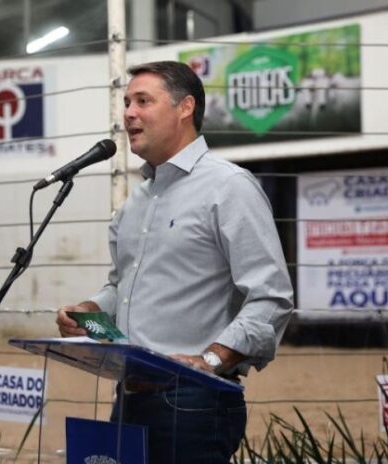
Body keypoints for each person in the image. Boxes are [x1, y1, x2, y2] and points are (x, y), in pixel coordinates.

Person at [56, 60, 293, 464]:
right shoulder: (134, 204)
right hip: (128, 398)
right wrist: (89, 312)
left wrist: (212, 359)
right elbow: (120, 288)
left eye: (143, 101)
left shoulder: (229, 187)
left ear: (185, 107)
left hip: (194, 402)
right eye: (126, 103)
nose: (128, 113)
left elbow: (271, 298)